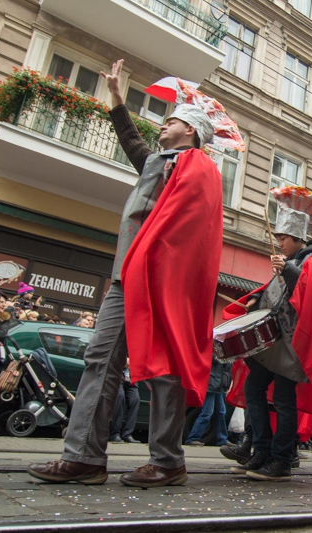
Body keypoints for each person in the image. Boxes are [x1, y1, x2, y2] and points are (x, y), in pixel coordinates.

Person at [28, 58, 226, 488]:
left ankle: (168, 462)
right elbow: (136, 146)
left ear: (189, 131)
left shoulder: (198, 168)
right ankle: (83, 457)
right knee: (101, 357)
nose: (162, 125)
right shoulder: (161, 162)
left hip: (162, 279)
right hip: (128, 275)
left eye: (170, 120)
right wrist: (117, 100)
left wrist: (154, 266)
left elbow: (185, 235)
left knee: (165, 367)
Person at [222, 186, 312, 481]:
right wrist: (255, 299)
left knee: (284, 398)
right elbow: (274, 292)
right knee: (254, 390)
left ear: (298, 238)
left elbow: (311, 292)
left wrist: (288, 270)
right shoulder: (291, 261)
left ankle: (281, 460)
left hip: (293, 345)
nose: (279, 243)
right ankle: (261, 450)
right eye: (277, 237)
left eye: (283, 238)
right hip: (273, 343)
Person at [185, 353, 232, 447]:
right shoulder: (213, 347)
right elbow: (217, 359)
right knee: (208, 412)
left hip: (217, 384)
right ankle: (193, 437)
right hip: (212, 383)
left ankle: (222, 439)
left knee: (220, 412)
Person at [109, 358, 141, 444]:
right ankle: (114, 434)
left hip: (130, 375)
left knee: (135, 399)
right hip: (117, 373)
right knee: (120, 396)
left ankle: (127, 434)